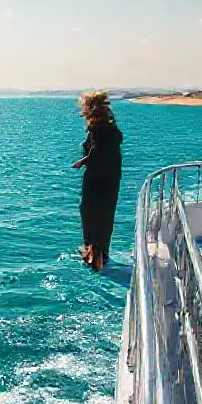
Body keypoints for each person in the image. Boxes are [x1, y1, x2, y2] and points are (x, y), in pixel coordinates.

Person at [72, 91, 123, 271]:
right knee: (105, 214)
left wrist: (82, 162)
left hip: (96, 178)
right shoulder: (111, 126)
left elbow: (96, 152)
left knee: (89, 212)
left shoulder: (96, 128)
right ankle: (102, 254)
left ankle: (92, 255)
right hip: (112, 177)